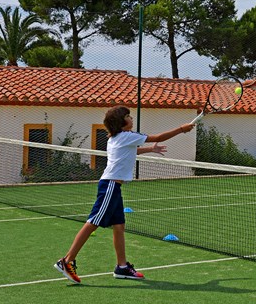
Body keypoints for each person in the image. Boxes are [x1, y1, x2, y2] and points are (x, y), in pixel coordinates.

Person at [54, 106, 195, 283]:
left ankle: (122, 267)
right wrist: (182, 129)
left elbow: (131, 151)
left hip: (114, 187)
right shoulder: (127, 136)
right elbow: (158, 137)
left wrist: (150, 149)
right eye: (128, 116)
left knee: (119, 225)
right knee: (92, 223)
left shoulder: (116, 138)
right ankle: (66, 261)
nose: (131, 118)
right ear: (121, 122)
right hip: (110, 186)